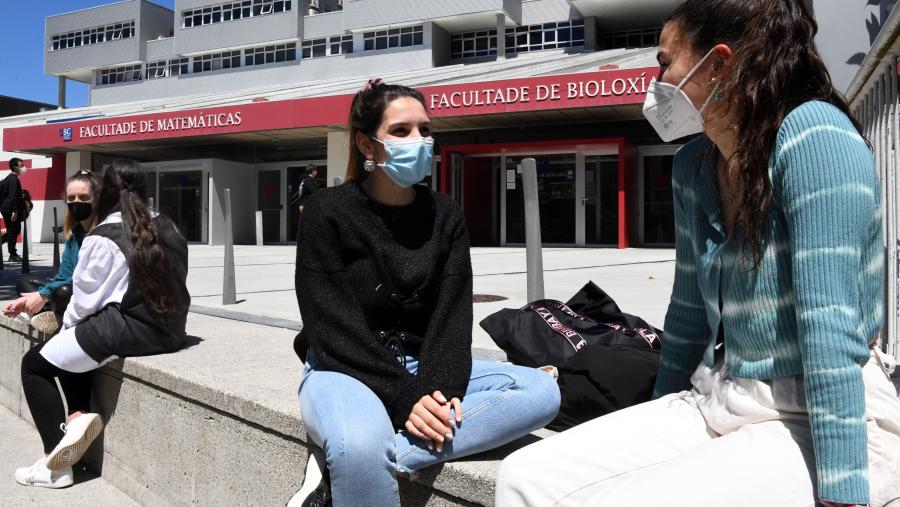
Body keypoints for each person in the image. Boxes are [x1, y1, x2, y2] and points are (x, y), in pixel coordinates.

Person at [496, 1, 900, 506]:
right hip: (720, 395)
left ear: (719, 64)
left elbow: (830, 327)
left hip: (817, 415)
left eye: (666, 62)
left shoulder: (815, 136)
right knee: (523, 476)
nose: (657, 81)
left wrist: (844, 488)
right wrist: (656, 421)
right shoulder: (693, 164)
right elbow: (687, 315)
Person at [289, 78, 560, 507]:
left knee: (541, 391)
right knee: (358, 445)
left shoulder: (445, 213)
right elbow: (330, 325)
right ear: (366, 143)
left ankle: (344, 468)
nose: (418, 140)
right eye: (401, 131)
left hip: (423, 363)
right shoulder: (327, 210)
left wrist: (435, 390)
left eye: (425, 129)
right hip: (343, 367)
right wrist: (405, 396)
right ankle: (358, 457)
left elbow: (452, 318)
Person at [15, 160, 191, 489]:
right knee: (71, 344)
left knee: (35, 363)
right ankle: (76, 419)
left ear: (104, 194)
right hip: (171, 331)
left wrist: (63, 333)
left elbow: (83, 305)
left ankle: (56, 464)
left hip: (126, 331)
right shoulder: (170, 226)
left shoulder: (102, 236)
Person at [4, 170, 100, 334]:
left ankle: (47, 312)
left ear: (96, 200)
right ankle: (49, 312)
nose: (76, 202)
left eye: (83, 197)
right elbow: (64, 275)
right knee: (25, 282)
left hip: (92, 296)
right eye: (71, 198)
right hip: (71, 290)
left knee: (63, 292)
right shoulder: (74, 233)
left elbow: (86, 277)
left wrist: (44, 295)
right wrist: (42, 294)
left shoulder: (103, 234)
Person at [1, 157, 26, 262]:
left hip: (8, 208)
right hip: (10, 209)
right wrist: (14, 211)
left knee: (14, 231)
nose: (24, 167)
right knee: (13, 231)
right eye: (21, 165)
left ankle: (12, 253)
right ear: (15, 167)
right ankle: (12, 255)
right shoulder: (13, 180)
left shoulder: (11, 178)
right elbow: (12, 196)